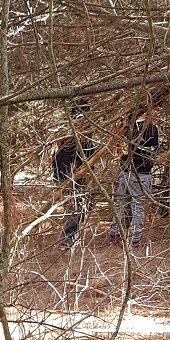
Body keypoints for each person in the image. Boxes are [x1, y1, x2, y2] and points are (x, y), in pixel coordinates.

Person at [109, 107, 159, 248]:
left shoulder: (126, 127)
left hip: (125, 171)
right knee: (137, 206)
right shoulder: (151, 129)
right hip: (141, 173)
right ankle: (135, 239)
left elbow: (118, 150)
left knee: (121, 204)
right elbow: (156, 150)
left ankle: (115, 233)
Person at [51, 99, 95, 247]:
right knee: (76, 206)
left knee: (82, 205)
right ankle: (68, 236)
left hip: (75, 173)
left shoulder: (81, 129)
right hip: (71, 174)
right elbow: (66, 154)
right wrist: (67, 174)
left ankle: (69, 234)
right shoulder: (75, 130)